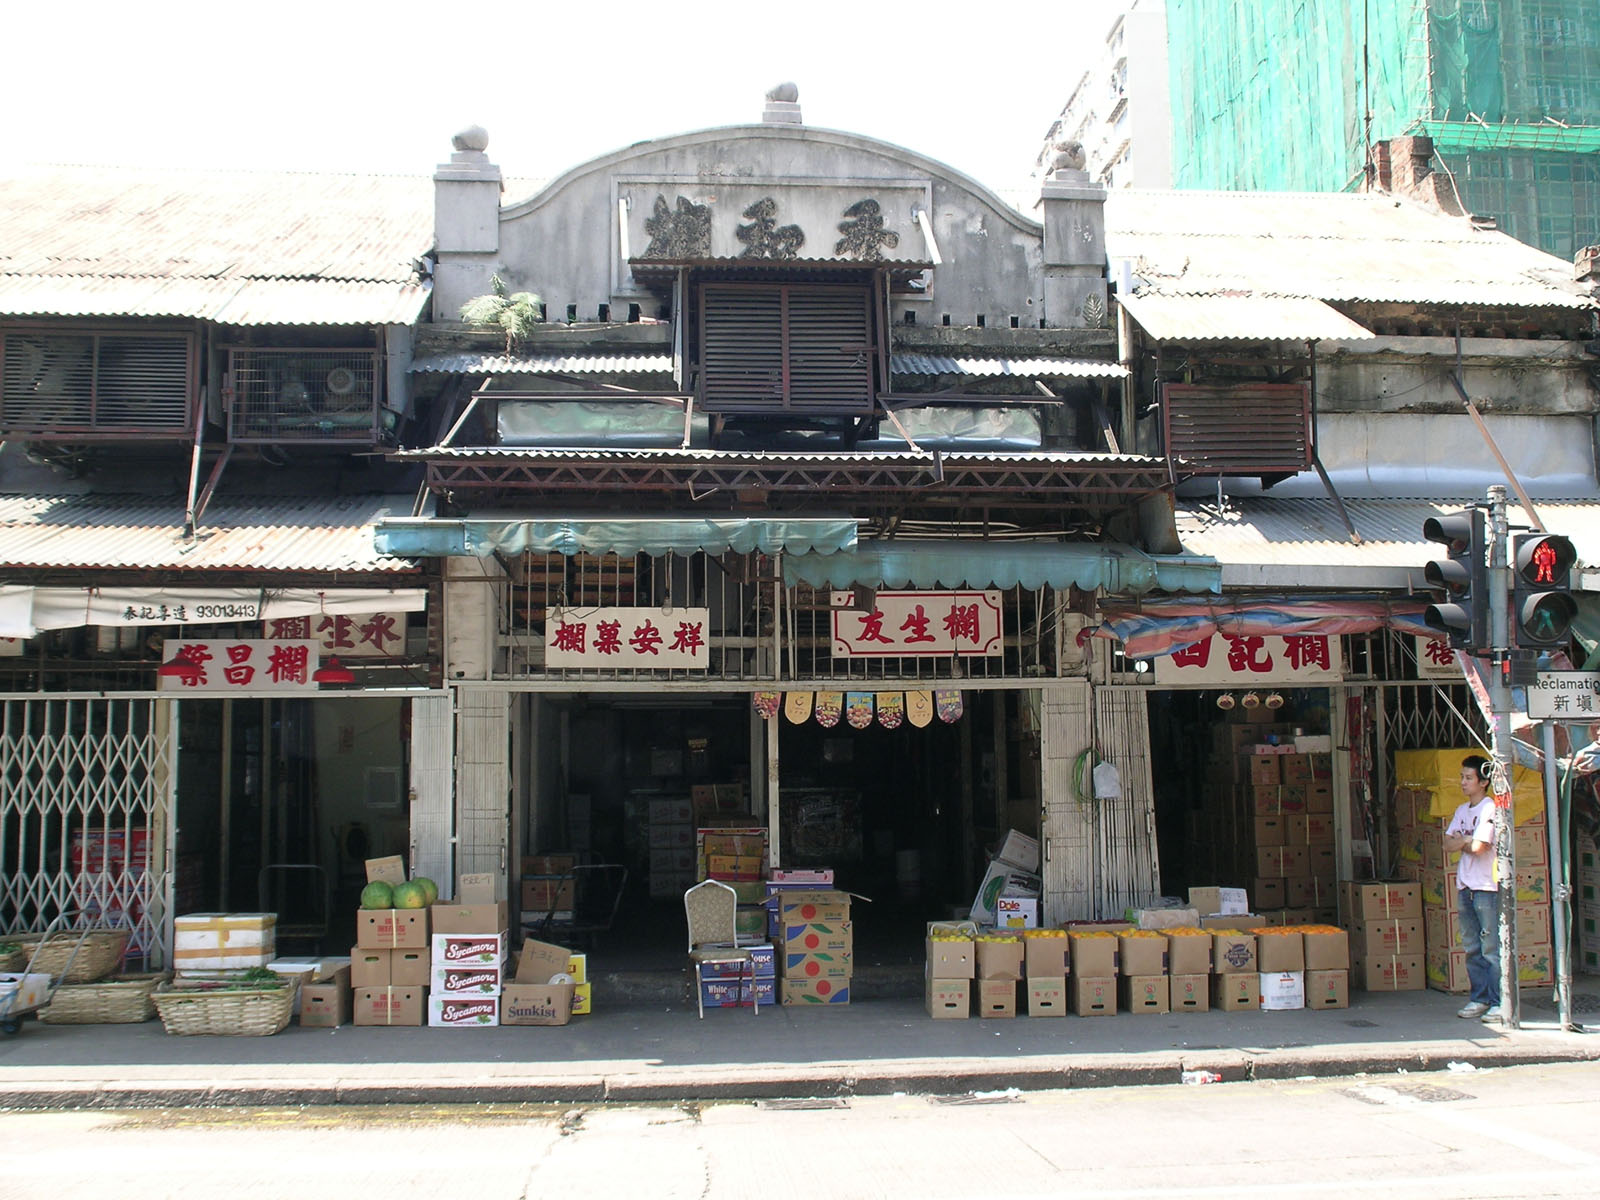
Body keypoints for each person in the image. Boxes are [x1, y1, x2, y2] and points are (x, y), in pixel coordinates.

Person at [1444, 755, 1501, 1021]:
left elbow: (1480, 848)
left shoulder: (1490, 808)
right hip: (1465, 885)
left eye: (1469, 778)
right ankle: (1479, 998)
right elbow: (1447, 843)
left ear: (1483, 782)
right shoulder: (1461, 811)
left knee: (1490, 947)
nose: (1463, 782)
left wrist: (1464, 840)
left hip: (1486, 886)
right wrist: (1468, 840)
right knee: (1471, 947)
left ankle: (1499, 1001)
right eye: (1462, 777)